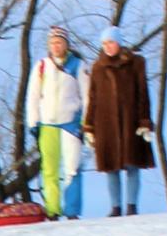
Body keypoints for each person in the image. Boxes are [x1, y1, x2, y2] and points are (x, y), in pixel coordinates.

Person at [82, 25, 156, 217]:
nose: (108, 46)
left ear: (119, 42)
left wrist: (145, 121)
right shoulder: (98, 67)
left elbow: (143, 93)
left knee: (132, 163)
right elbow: (93, 97)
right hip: (105, 123)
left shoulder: (135, 63)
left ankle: (132, 205)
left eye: (111, 42)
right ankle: (115, 206)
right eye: (104, 43)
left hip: (130, 120)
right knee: (111, 167)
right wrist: (89, 126)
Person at [24, 24, 86, 220]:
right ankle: (52, 209)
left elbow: (88, 96)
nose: (56, 46)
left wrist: (86, 122)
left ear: (66, 44)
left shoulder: (78, 65)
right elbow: (33, 96)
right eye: (53, 43)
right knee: (49, 169)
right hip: (47, 124)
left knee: (72, 168)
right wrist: (33, 122)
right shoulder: (41, 66)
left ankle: (72, 210)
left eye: (59, 42)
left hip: (71, 123)